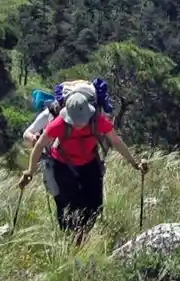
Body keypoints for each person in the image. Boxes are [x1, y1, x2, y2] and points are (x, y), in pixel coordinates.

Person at [19, 90, 148, 244]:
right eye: (76, 121)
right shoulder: (59, 124)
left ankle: (82, 237)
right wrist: (30, 171)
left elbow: (116, 141)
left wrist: (134, 163)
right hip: (62, 164)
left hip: (89, 163)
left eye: (82, 120)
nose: (79, 124)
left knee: (95, 205)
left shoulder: (97, 121)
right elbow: (39, 146)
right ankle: (72, 241)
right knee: (66, 204)